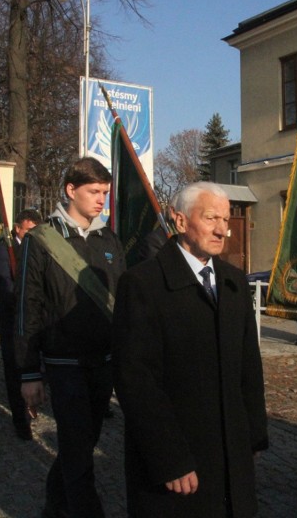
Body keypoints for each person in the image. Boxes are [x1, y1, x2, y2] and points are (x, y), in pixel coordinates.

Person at [113, 182, 269, 518]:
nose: (222, 230)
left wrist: (253, 434)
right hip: (180, 460)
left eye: (226, 220)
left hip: (230, 453)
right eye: (211, 218)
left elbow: (248, 366)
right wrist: (168, 457)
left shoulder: (233, 281)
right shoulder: (143, 284)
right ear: (180, 221)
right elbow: (136, 381)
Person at [17, 157, 126, 518]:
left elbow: (122, 300)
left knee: (81, 444)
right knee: (79, 449)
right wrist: (29, 372)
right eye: (94, 192)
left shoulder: (108, 238)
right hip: (64, 364)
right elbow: (27, 307)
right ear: (70, 190)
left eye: (105, 193)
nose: (101, 200)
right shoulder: (40, 239)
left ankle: (53, 506)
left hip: (104, 363)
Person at [0, 208, 42, 441]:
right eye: (29, 230)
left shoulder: (39, 249)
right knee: (14, 371)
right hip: (13, 320)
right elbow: (4, 285)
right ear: (18, 229)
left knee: (32, 368)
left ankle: (32, 405)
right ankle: (20, 420)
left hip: (36, 321)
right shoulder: (5, 251)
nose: (33, 234)